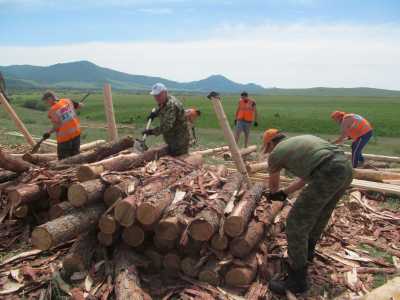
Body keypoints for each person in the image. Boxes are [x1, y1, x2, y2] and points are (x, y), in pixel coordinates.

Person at [262, 129, 353, 294]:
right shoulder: (301, 143)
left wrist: (273, 195)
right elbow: (306, 178)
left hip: (328, 171)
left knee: (295, 223)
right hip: (345, 168)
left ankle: (297, 281)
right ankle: (307, 254)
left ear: (270, 143)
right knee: (320, 214)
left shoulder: (276, 154)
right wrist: (285, 193)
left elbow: (273, 186)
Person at [143, 83, 190, 156]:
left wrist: (152, 132)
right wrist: (154, 114)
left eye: (158, 95)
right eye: (155, 96)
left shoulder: (172, 105)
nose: (156, 98)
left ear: (165, 93)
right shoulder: (164, 101)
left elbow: (167, 126)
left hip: (179, 141)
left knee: (178, 162)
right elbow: (162, 108)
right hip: (172, 139)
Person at [42, 91, 83, 160]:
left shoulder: (53, 110)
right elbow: (81, 106)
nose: (47, 104)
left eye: (46, 101)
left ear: (50, 98)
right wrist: (74, 106)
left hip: (64, 139)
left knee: (63, 161)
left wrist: (48, 133)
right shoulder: (67, 101)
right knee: (76, 157)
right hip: (76, 134)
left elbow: (57, 126)